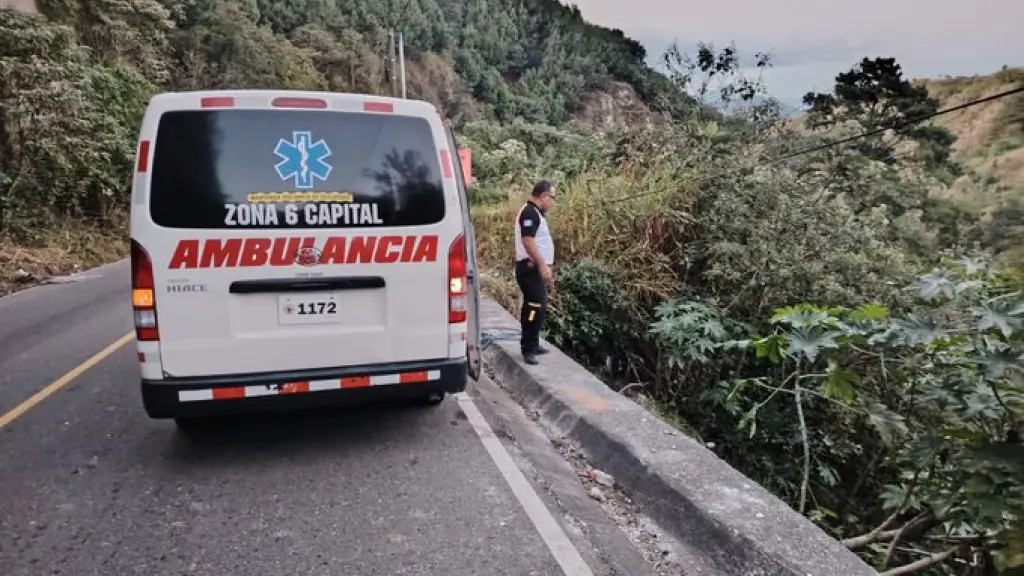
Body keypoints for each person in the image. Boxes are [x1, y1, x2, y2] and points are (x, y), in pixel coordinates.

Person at [514, 180, 557, 365]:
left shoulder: (535, 212)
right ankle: (528, 348)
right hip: (530, 270)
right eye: (552, 198)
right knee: (533, 308)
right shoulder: (530, 212)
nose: (553, 202)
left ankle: (533, 343)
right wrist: (542, 265)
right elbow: (528, 241)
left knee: (536, 307)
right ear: (544, 195)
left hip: (534, 270)